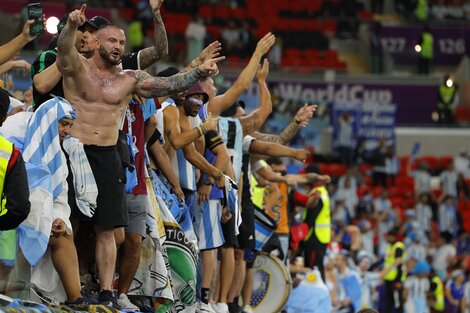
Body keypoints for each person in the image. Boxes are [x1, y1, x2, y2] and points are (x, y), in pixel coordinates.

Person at [56, 5, 222, 307]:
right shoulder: (77, 67)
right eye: (111, 41)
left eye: (122, 43)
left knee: (108, 229)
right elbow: (63, 49)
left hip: (108, 155)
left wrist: (199, 71)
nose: (118, 46)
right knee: (68, 223)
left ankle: (107, 292)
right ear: (96, 43)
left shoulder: (130, 79)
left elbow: (169, 84)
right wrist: (70, 26)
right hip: (74, 152)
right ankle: (68, 289)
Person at [32, 0, 169, 109]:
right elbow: (42, 86)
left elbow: (159, 51)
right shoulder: (55, 57)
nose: (85, 35)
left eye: (92, 32)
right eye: (84, 30)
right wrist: (68, 54)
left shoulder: (120, 64)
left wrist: (156, 13)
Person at [383, 227, 406, 313]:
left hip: (396, 279)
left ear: (392, 236)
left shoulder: (398, 246)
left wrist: (398, 280)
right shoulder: (390, 247)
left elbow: (399, 263)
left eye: (388, 236)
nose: (386, 238)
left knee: (398, 303)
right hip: (389, 278)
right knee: (389, 302)